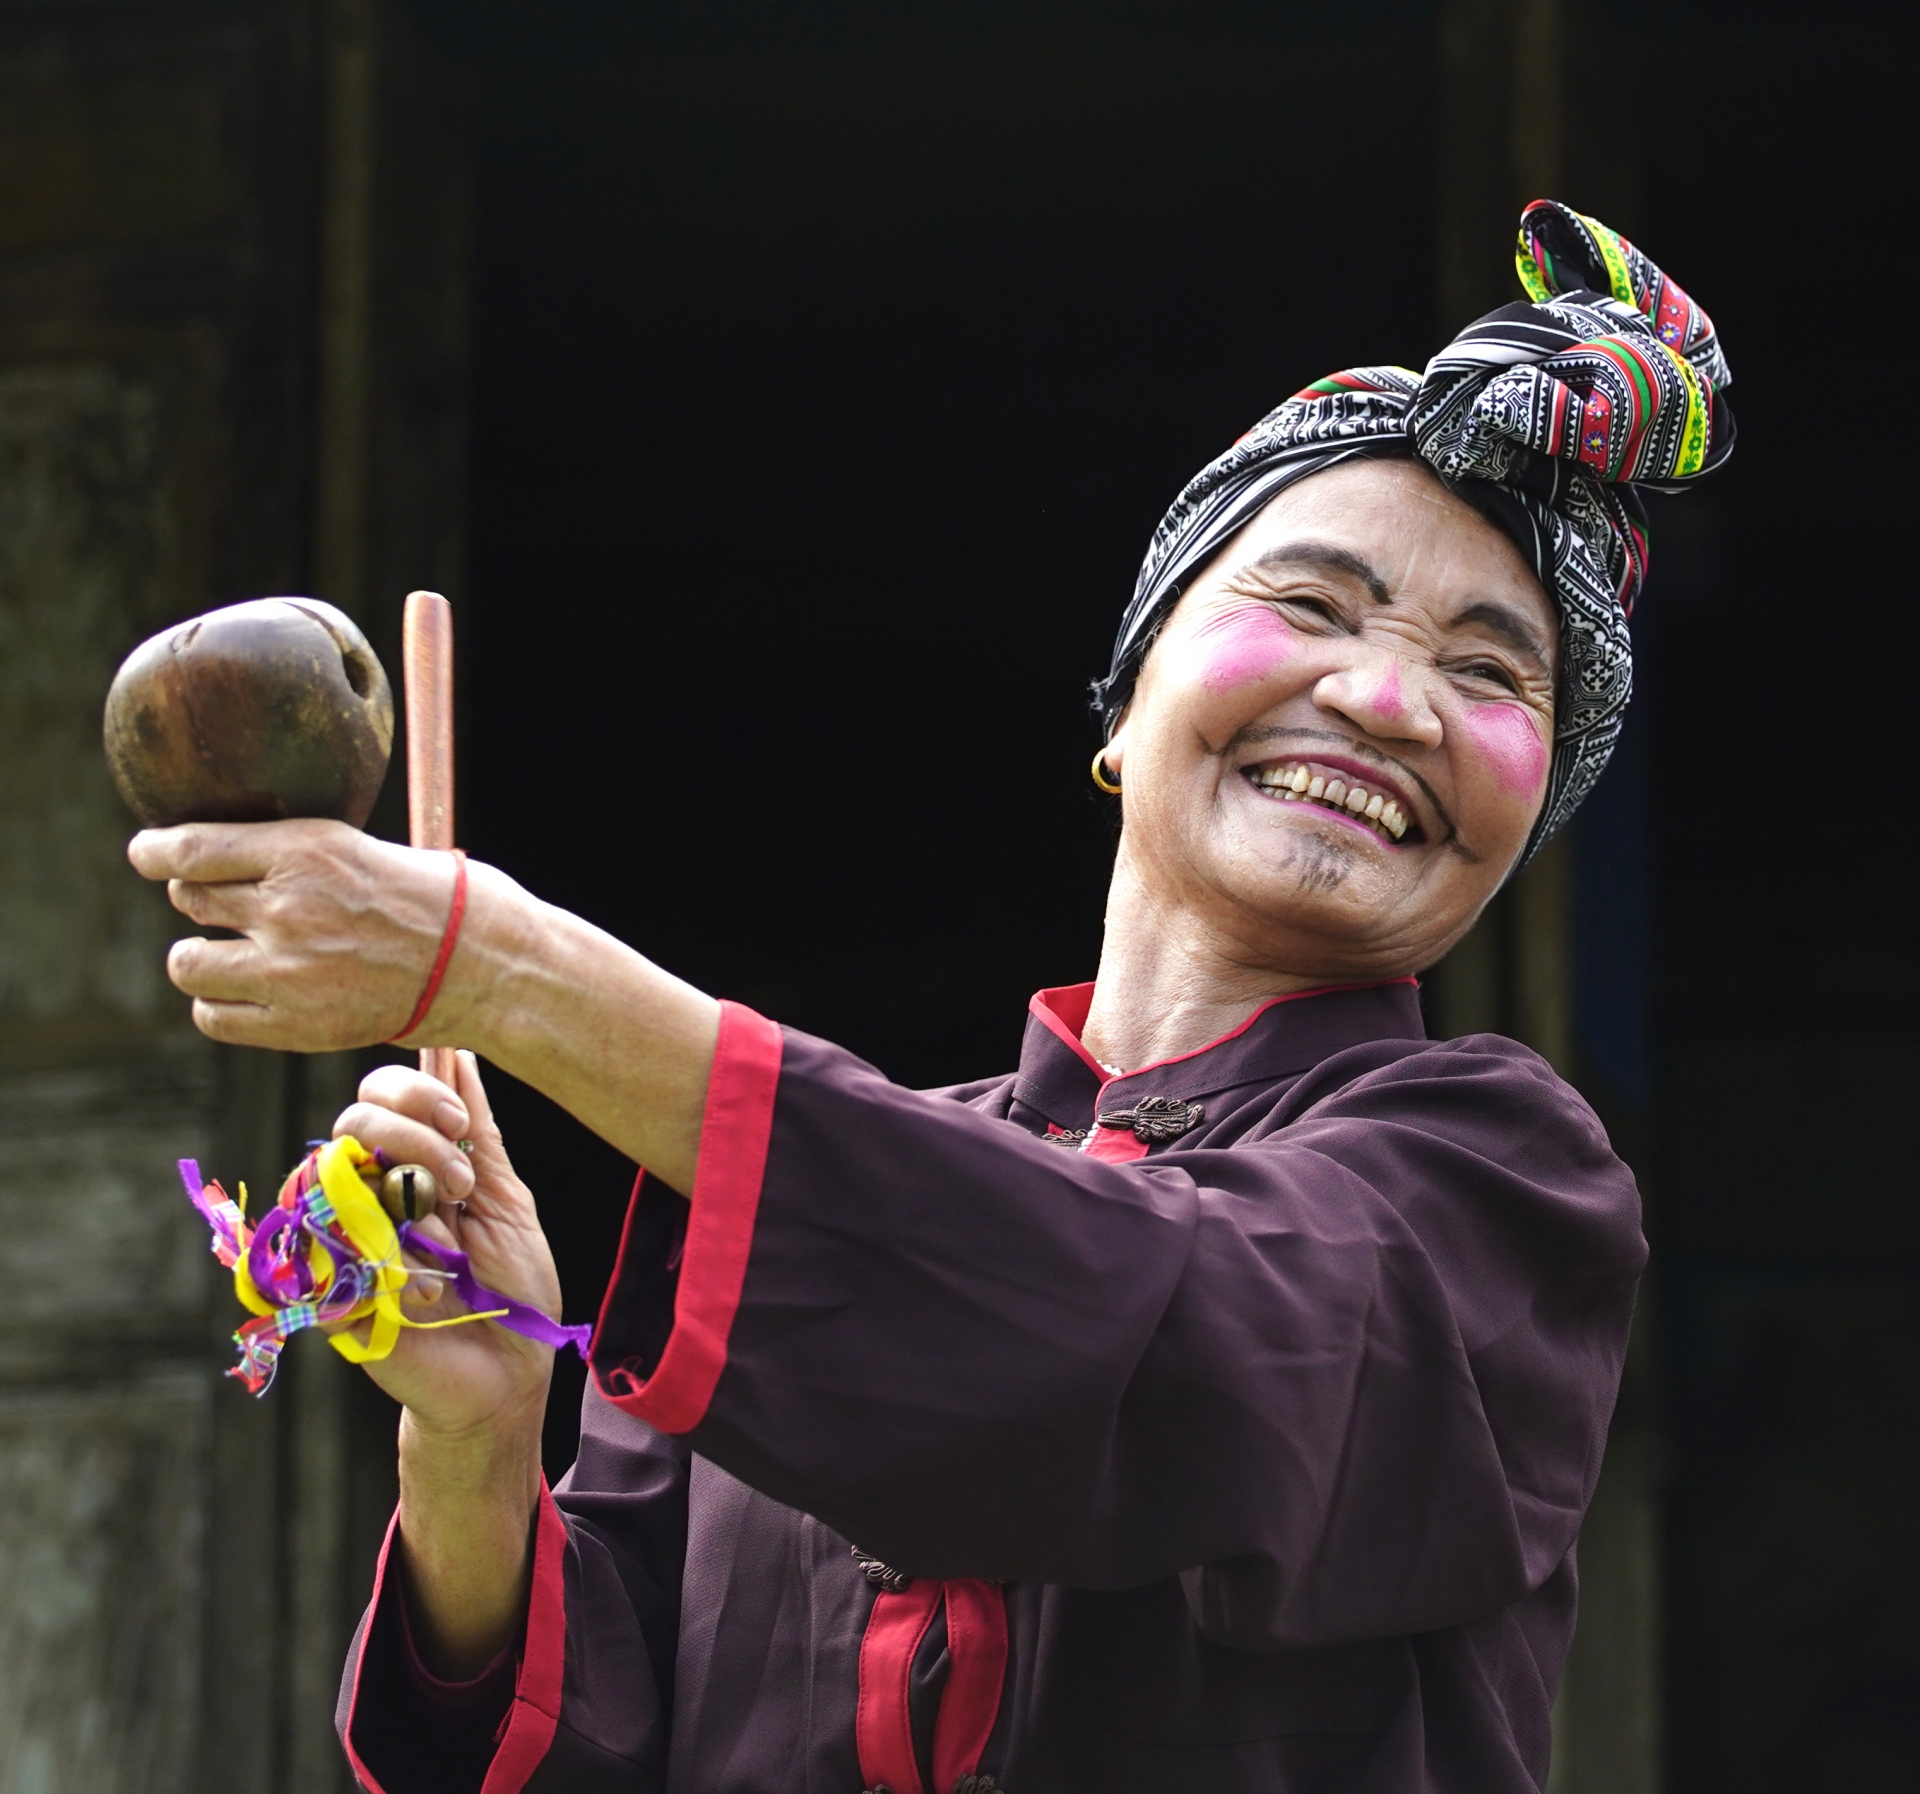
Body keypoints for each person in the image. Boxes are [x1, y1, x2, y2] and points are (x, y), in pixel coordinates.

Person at [130, 200, 1731, 1794]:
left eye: (1491, 672)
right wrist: (477, 1448)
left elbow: (1166, 1333)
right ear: (1129, 695)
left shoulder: (1501, 1186)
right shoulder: (801, 1206)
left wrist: (513, 970)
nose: (1385, 699)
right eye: (1311, 606)